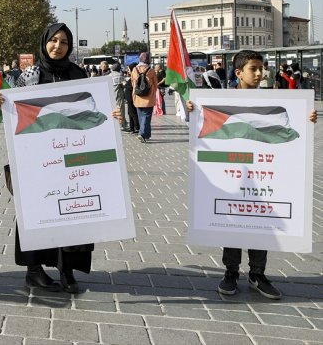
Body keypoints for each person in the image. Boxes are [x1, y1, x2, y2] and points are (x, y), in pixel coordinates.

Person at [0, 23, 121, 294]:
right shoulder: (29, 74)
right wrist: (1, 102)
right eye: (53, 40)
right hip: (37, 157)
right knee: (37, 210)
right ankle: (34, 271)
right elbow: (14, 106)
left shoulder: (78, 73)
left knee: (72, 210)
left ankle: (68, 270)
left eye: (63, 42)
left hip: (72, 155)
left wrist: (113, 115)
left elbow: (93, 108)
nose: (57, 46)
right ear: (44, 42)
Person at [187, 50, 317, 300]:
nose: (260, 74)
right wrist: (193, 111)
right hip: (234, 177)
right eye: (253, 69)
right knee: (232, 220)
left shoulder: (276, 100)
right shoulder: (221, 101)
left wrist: (308, 119)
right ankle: (231, 272)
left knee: (260, 222)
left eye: (262, 69)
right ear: (238, 73)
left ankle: (258, 273)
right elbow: (201, 128)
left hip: (265, 178)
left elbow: (296, 127)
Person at [131, 52, 158, 143]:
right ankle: (142, 133)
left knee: (141, 116)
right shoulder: (151, 70)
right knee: (146, 116)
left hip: (137, 97)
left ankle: (147, 135)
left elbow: (132, 82)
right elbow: (155, 84)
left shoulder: (134, 70)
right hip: (148, 97)